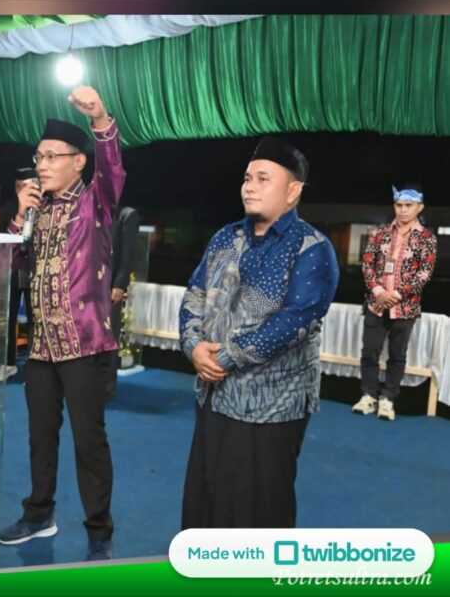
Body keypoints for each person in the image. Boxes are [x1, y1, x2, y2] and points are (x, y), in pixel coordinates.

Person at [179, 136, 339, 529]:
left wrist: (223, 357)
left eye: (263, 179)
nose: (249, 186)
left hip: (272, 406)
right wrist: (193, 346)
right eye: (247, 178)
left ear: (293, 191)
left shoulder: (311, 247)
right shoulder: (225, 237)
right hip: (214, 394)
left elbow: (295, 321)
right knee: (208, 494)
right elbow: (195, 293)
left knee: (261, 506)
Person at [0, 86, 125, 561]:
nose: (42, 165)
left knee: (89, 443)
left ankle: (99, 531)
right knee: (40, 437)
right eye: (39, 157)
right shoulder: (38, 211)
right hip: (42, 348)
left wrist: (101, 118)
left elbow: (113, 172)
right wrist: (19, 218)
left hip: (86, 347)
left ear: (78, 162)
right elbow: (8, 266)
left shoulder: (95, 203)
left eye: (52, 157)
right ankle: (38, 515)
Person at [353, 185, 437, 421]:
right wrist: (379, 291)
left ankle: (388, 399)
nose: (403, 210)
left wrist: (396, 295)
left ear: (419, 208)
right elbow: (367, 264)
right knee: (369, 352)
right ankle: (368, 396)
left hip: (405, 307)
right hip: (376, 304)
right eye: (399, 205)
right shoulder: (380, 233)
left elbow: (424, 273)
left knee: (397, 355)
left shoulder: (426, 238)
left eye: (408, 205)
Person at [0, 167, 37, 381]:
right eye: (19, 186)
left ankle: (34, 365)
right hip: (12, 269)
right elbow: (1, 241)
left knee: (34, 319)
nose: (23, 190)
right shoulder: (8, 207)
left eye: (27, 186)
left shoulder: (45, 206)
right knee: (7, 318)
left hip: (35, 271)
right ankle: (8, 363)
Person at [109, 206, 141, 345]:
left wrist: (120, 284)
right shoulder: (92, 212)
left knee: (108, 332)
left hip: (111, 284)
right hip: (89, 282)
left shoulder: (127, 215)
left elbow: (129, 252)